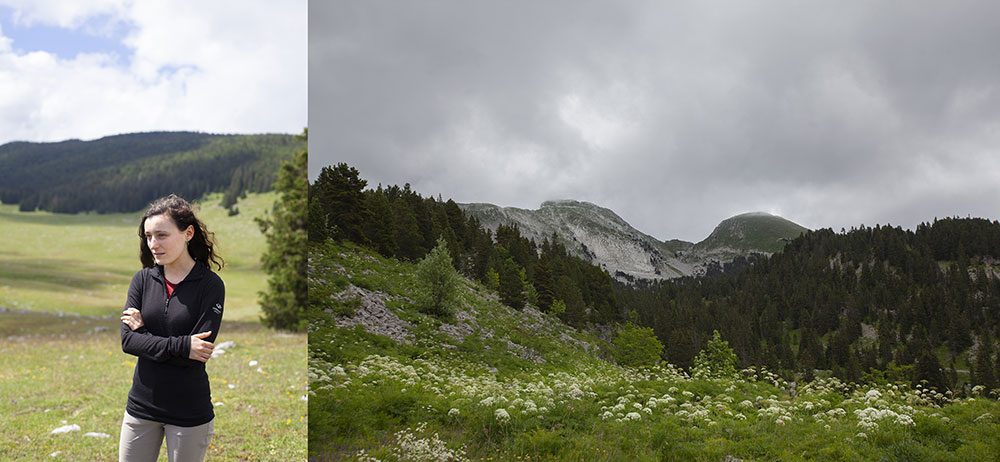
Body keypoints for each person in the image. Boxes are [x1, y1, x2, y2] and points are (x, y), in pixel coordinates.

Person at [119, 194, 225, 462]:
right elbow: (128, 342)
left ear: (188, 233)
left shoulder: (210, 286)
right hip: (140, 409)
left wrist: (144, 335)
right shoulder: (142, 280)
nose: (154, 244)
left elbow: (198, 354)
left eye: (162, 235)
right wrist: (181, 345)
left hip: (189, 412)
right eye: (149, 236)